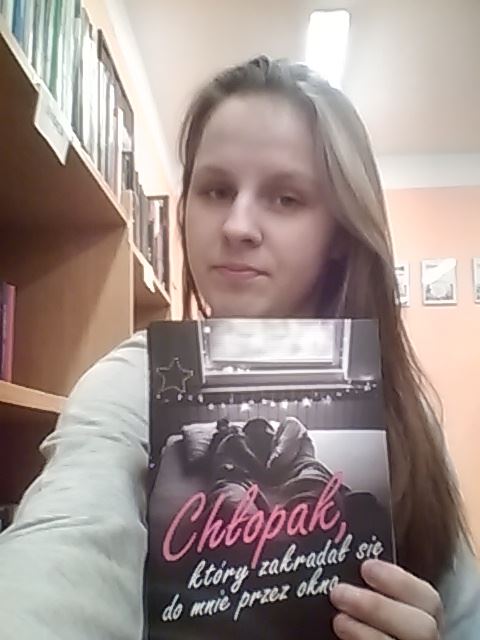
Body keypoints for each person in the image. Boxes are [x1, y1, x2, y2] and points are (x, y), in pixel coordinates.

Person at [0, 55, 478, 639]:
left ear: (339, 232)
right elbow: (67, 536)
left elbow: (465, 613)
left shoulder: (404, 412)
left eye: (286, 198)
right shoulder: (133, 380)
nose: (236, 225)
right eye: (216, 190)